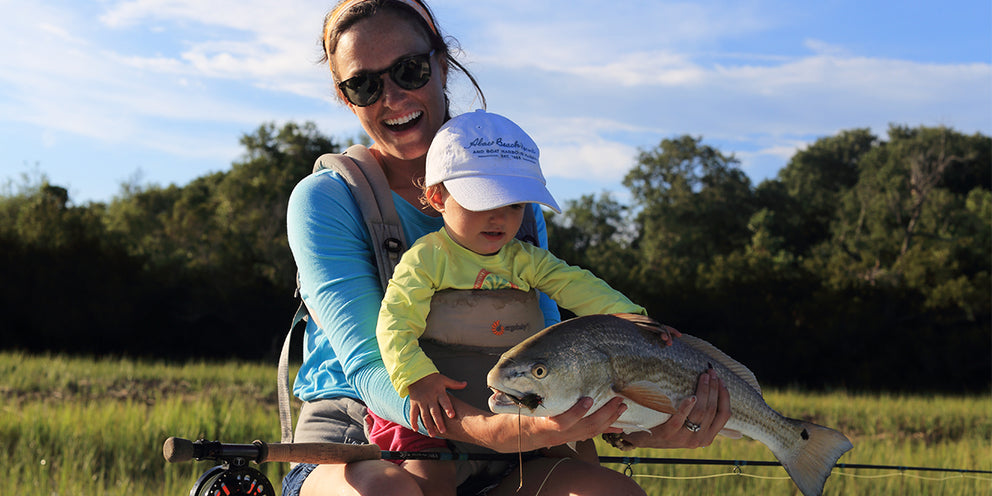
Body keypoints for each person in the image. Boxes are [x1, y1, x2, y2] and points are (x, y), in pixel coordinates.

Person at [283, 1, 732, 495]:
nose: (391, 97)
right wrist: (489, 431)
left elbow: (554, 345)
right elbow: (369, 364)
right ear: (345, 98)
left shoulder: (514, 202)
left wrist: (640, 424)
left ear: (443, 65)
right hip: (363, 439)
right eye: (364, 84)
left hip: (513, 431)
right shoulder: (326, 198)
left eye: (409, 71)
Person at [369, 109, 681, 495]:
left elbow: (576, 285)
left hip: (515, 399)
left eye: (515, 205)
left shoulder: (524, 259)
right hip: (437, 404)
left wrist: (633, 320)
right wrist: (416, 379)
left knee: (583, 459)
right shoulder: (426, 259)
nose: (499, 216)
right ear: (437, 197)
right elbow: (394, 322)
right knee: (429, 479)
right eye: (482, 201)